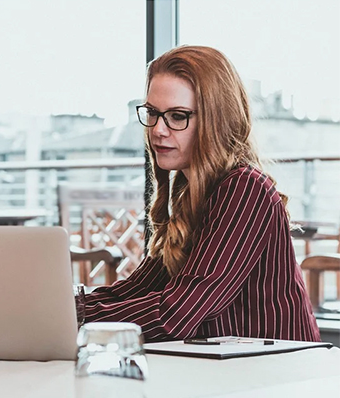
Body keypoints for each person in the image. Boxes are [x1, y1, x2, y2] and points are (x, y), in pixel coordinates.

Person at [84, 45, 320, 342]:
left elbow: (176, 315)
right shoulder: (190, 192)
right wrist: (70, 308)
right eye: (153, 113)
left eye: (178, 116)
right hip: (224, 369)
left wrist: (73, 319)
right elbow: (138, 289)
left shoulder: (245, 189)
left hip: (275, 374)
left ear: (216, 120)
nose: (158, 130)